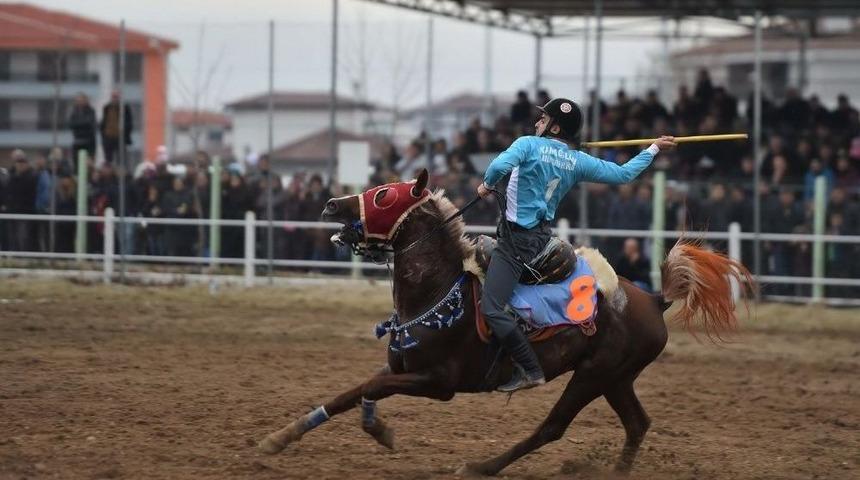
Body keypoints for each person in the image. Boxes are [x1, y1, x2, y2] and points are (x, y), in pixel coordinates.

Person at [477, 97, 675, 392]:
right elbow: (624, 174)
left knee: (491, 308)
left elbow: (497, 167)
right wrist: (654, 148)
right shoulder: (577, 160)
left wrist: (487, 184)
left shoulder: (527, 144)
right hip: (542, 238)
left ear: (554, 127)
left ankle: (530, 368)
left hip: (516, 243)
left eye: (542, 120)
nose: (536, 123)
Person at [100, 90, 133, 164]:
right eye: (114, 97)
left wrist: (126, 134)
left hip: (120, 136)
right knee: (108, 158)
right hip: (108, 136)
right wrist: (104, 134)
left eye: (116, 97)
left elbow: (129, 122)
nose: (115, 99)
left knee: (121, 158)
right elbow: (104, 121)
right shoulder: (107, 108)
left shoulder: (124, 108)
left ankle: (120, 172)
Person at [68, 93, 97, 160]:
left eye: (81, 100)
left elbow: (89, 123)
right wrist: (81, 123)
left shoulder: (91, 111)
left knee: (87, 163)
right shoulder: (74, 111)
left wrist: (78, 124)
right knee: (76, 162)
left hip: (88, 141)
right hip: (77, 141)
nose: (79, 102)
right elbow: (71, 124)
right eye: (78, 101)